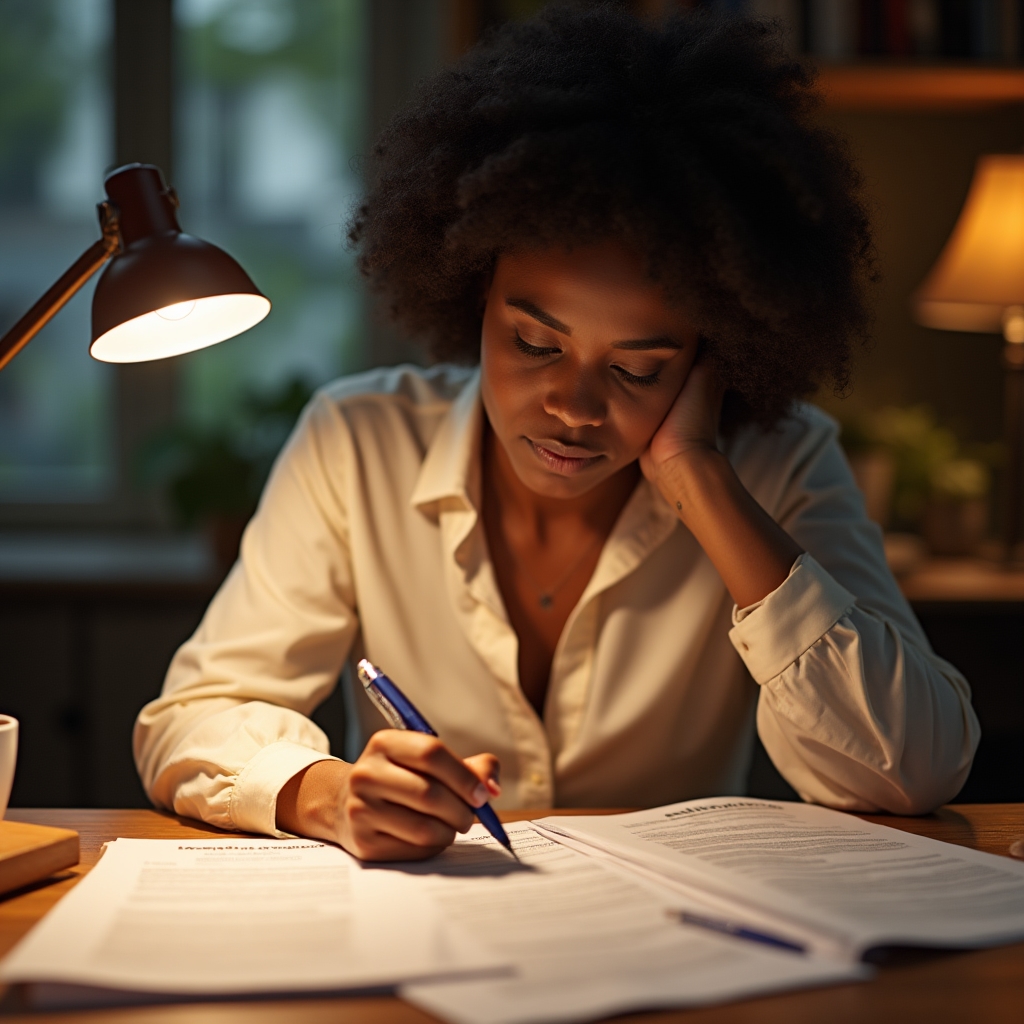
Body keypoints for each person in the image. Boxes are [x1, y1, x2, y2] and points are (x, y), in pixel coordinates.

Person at [134, 6, 979, 861]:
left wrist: (701, 478)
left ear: (715, 356)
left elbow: (911, 773)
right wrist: (328, 794)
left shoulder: (785, 464)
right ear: (472, 297)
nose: (574, 407)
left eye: (639, 368)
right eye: (536, 344)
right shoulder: (360, 442)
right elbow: (191, 716)